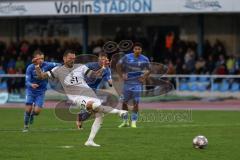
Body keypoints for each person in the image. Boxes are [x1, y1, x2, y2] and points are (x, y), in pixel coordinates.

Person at [34, 50, 127, 147]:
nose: (72, 60)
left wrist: (103, 67)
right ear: (64, 58)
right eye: (70, 58)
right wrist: (37, 66)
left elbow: (95, 75)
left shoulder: (80, 67)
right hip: (76, 97)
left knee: (99, 115)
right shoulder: (58, 70)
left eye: (74, 58)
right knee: (93, 105)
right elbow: (41, 76)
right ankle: (119, 112)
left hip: (89, 93)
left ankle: (90, 141)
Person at [23, 50, 59, 132]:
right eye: (39, 59)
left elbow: (59, 65)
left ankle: (32, 115)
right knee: (28, 109)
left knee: (37, 111)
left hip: (41, 92)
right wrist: (31, 84)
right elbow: (27, 81)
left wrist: (53, 72)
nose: (41, 60)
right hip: (31, 91)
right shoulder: (30, 67)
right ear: (34, 59)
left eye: (42, 58)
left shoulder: (47, 64)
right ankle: (25, 126)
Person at [117, 42, 150, 128]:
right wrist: (122, 75)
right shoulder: (127, 57)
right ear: (133, 49)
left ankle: (133, 123)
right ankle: (125, 122)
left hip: (137, 84)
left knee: (136, 103)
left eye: (139, 49)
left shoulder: (145, 59)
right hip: (127, 83)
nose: (137, 51)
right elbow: (118, 65)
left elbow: (149, 70)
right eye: (136, 49)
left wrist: (144, 77)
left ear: (141, 50)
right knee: (124, 103)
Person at [76, 52, 112, 129]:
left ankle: (80, 117)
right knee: (94, 107)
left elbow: (110, 83)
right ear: (98, 59)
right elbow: (94, 74)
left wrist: (110, 80)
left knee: (91, 109)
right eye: (101, 59)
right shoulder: (91, 65)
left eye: (104, 59)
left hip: (93, 90)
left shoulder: (107, 69)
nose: (103, 60)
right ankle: (83, 118)